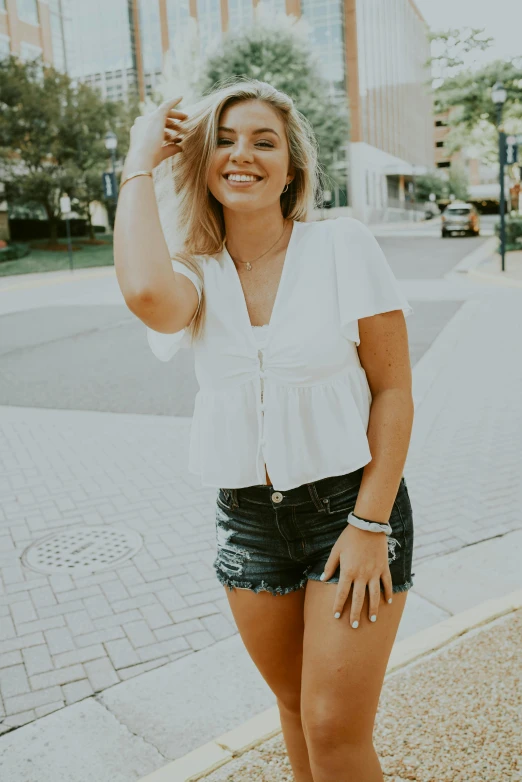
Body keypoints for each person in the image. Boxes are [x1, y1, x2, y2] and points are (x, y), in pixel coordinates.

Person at [114, 78, 415, 782]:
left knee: (336, 731)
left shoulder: (340, 245)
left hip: (351, 511)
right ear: (201, 162)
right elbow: (146, 295)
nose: (240, 154)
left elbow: (395, 391)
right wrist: (137, 158)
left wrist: (369, 525)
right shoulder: (195, 272)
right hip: (248, 522)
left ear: (292, 167)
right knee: (292, 706)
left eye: (263, 141)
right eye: (222, 140)